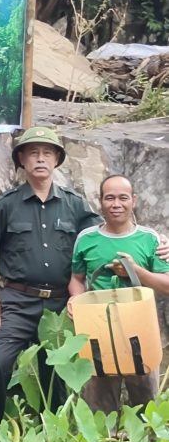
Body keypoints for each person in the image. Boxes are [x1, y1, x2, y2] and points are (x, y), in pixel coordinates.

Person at [0, 126, 100, 425]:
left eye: (47, 153)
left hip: (60, 305)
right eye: (33, 153)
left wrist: (153, 241)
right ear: (22, 160)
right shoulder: (6, 204)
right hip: (16, 302)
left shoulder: (75, 203)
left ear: (56, 159)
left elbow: (101, 240)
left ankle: (52, 436)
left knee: (56, 375)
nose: (40, 159)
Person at [69, 174, 169, 413]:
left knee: (146, 402)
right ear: (100, 201)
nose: (116, 204)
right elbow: (76, 278)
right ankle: (105, 438)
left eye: (123, 198)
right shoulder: (86, 239)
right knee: (99, 404)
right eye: (110, 198)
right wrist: (75, 298)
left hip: (140, 330)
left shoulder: (150, 239)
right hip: (98, 329)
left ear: (134, 200)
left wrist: (136, 272)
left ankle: (145, 436)